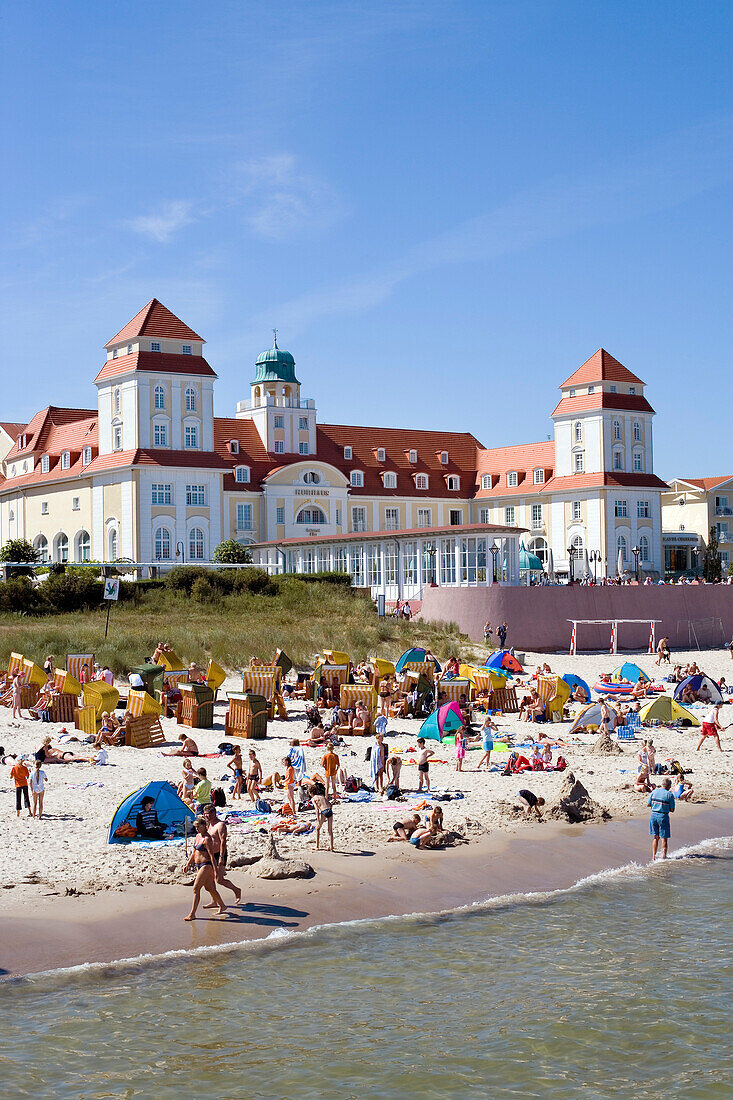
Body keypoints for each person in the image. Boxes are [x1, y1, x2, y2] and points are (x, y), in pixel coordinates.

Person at [183, 818, 226, 921]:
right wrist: (188, 864)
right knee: (210, 888)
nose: (197, 829)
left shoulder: (207, 839)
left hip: (206, 865)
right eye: (196, 827)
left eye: (199, 826)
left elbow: (211, 856)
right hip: (198, 865)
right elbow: (194, 852)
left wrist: (215, 870)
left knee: (196, 888)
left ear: (204, 826)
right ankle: (222, 906)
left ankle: (192, 914)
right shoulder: (197, 836)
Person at [203, 804, 242, 904]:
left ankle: (236, 890)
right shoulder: (208, 825)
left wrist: (221, 857)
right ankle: (214, 901)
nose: (207, 816)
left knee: (219, 879)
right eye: (205, 814)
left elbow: (223, 841)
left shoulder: (220, 825)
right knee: (210, 878)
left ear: (214, 813)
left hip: (219, 854)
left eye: (209, 814)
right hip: (210, 854)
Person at [648, 777, 675, 860]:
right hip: (663, 816)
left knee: (655, 837)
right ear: (669, 786)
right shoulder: (669, 795)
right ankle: (663, 856)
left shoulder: (654, 791)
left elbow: (648, 804)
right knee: (664, 838)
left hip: (653, 815)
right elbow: (672, 810)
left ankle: (654, 856)